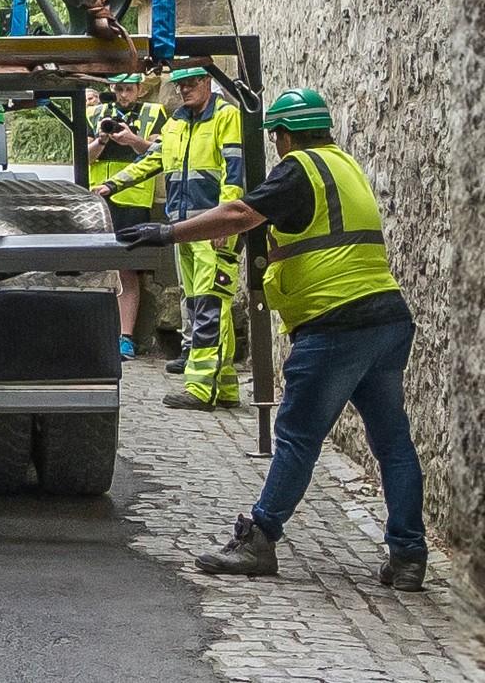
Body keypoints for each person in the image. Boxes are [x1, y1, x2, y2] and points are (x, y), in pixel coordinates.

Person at [116, 86, 427, 590]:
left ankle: (259, 537)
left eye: (277, 137)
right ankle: (409, 556)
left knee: (298, 437)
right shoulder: (344, 165)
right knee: (393, 443)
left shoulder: (298, 167)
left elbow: (241, 213)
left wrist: (167, 233)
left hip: (335, 323)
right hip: (386, 318)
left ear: (284, 135)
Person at [97, 64, 244, 409]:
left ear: (207, 81)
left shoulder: (225, 117)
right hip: (183, 229)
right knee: (198, 304)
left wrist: (226, 221)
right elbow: (153, 159)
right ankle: (224, 386)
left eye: (191, 82)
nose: (184, 89)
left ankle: (200, 388)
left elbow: (234, 171)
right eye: (180, 84)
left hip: (212, 227)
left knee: (210, 305)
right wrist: (111, 185)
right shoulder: (177, 122)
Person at [86, 73, 167, 361]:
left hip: (134, 202)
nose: (123, 96)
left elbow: (159, 154)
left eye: (129, 90)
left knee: (128, 270)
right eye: (119, 89)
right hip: (98, 200)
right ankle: (95, 332)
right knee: (94, 267)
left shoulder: (154, 113)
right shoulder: (95, 113)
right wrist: (102, 140)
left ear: (140, 89)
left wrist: (133, 139)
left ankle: (125, 337)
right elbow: (83, 157)